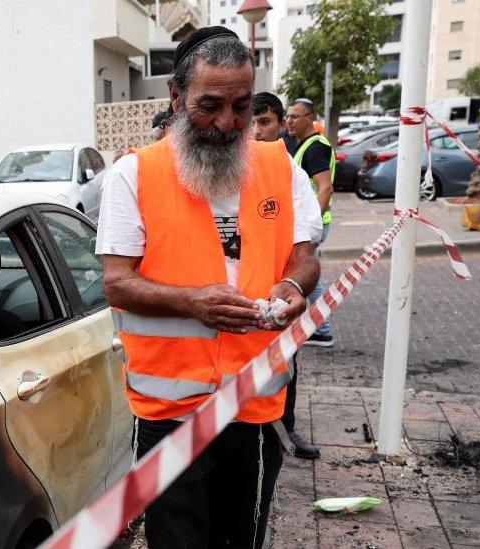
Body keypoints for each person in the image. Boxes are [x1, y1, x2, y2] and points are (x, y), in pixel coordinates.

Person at [96, 27, 322, 548]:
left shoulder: (277, 166)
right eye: (210, 105)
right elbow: (117, 284)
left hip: (253, 409)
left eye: (242, 107)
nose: (227, 123)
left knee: (240, 539)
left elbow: (304, 256)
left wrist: (292, 285)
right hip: (169, 416)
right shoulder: (133, 175)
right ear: (176, 97)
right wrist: (192, 303)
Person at [252, 91, 321, 461]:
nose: (256, 131)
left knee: (285, 363)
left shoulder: (288, 173)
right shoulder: (231, 171)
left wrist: (293, 282)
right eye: (253, 122)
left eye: (264, 122)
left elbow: (307, 243)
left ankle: (286, 428)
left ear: (281, 125)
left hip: (280, 296)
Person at [286, 98, 335, 348]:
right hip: (311, 222)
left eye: (295, 116)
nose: (289, 121)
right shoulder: (304, 145)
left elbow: (325, 188)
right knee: (307, 273)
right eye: (287, 116)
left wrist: (310, 226)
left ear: (310, 119)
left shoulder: (314, 147)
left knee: (308, 275)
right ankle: (320, 328)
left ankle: (322, 330)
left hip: (313, 224)